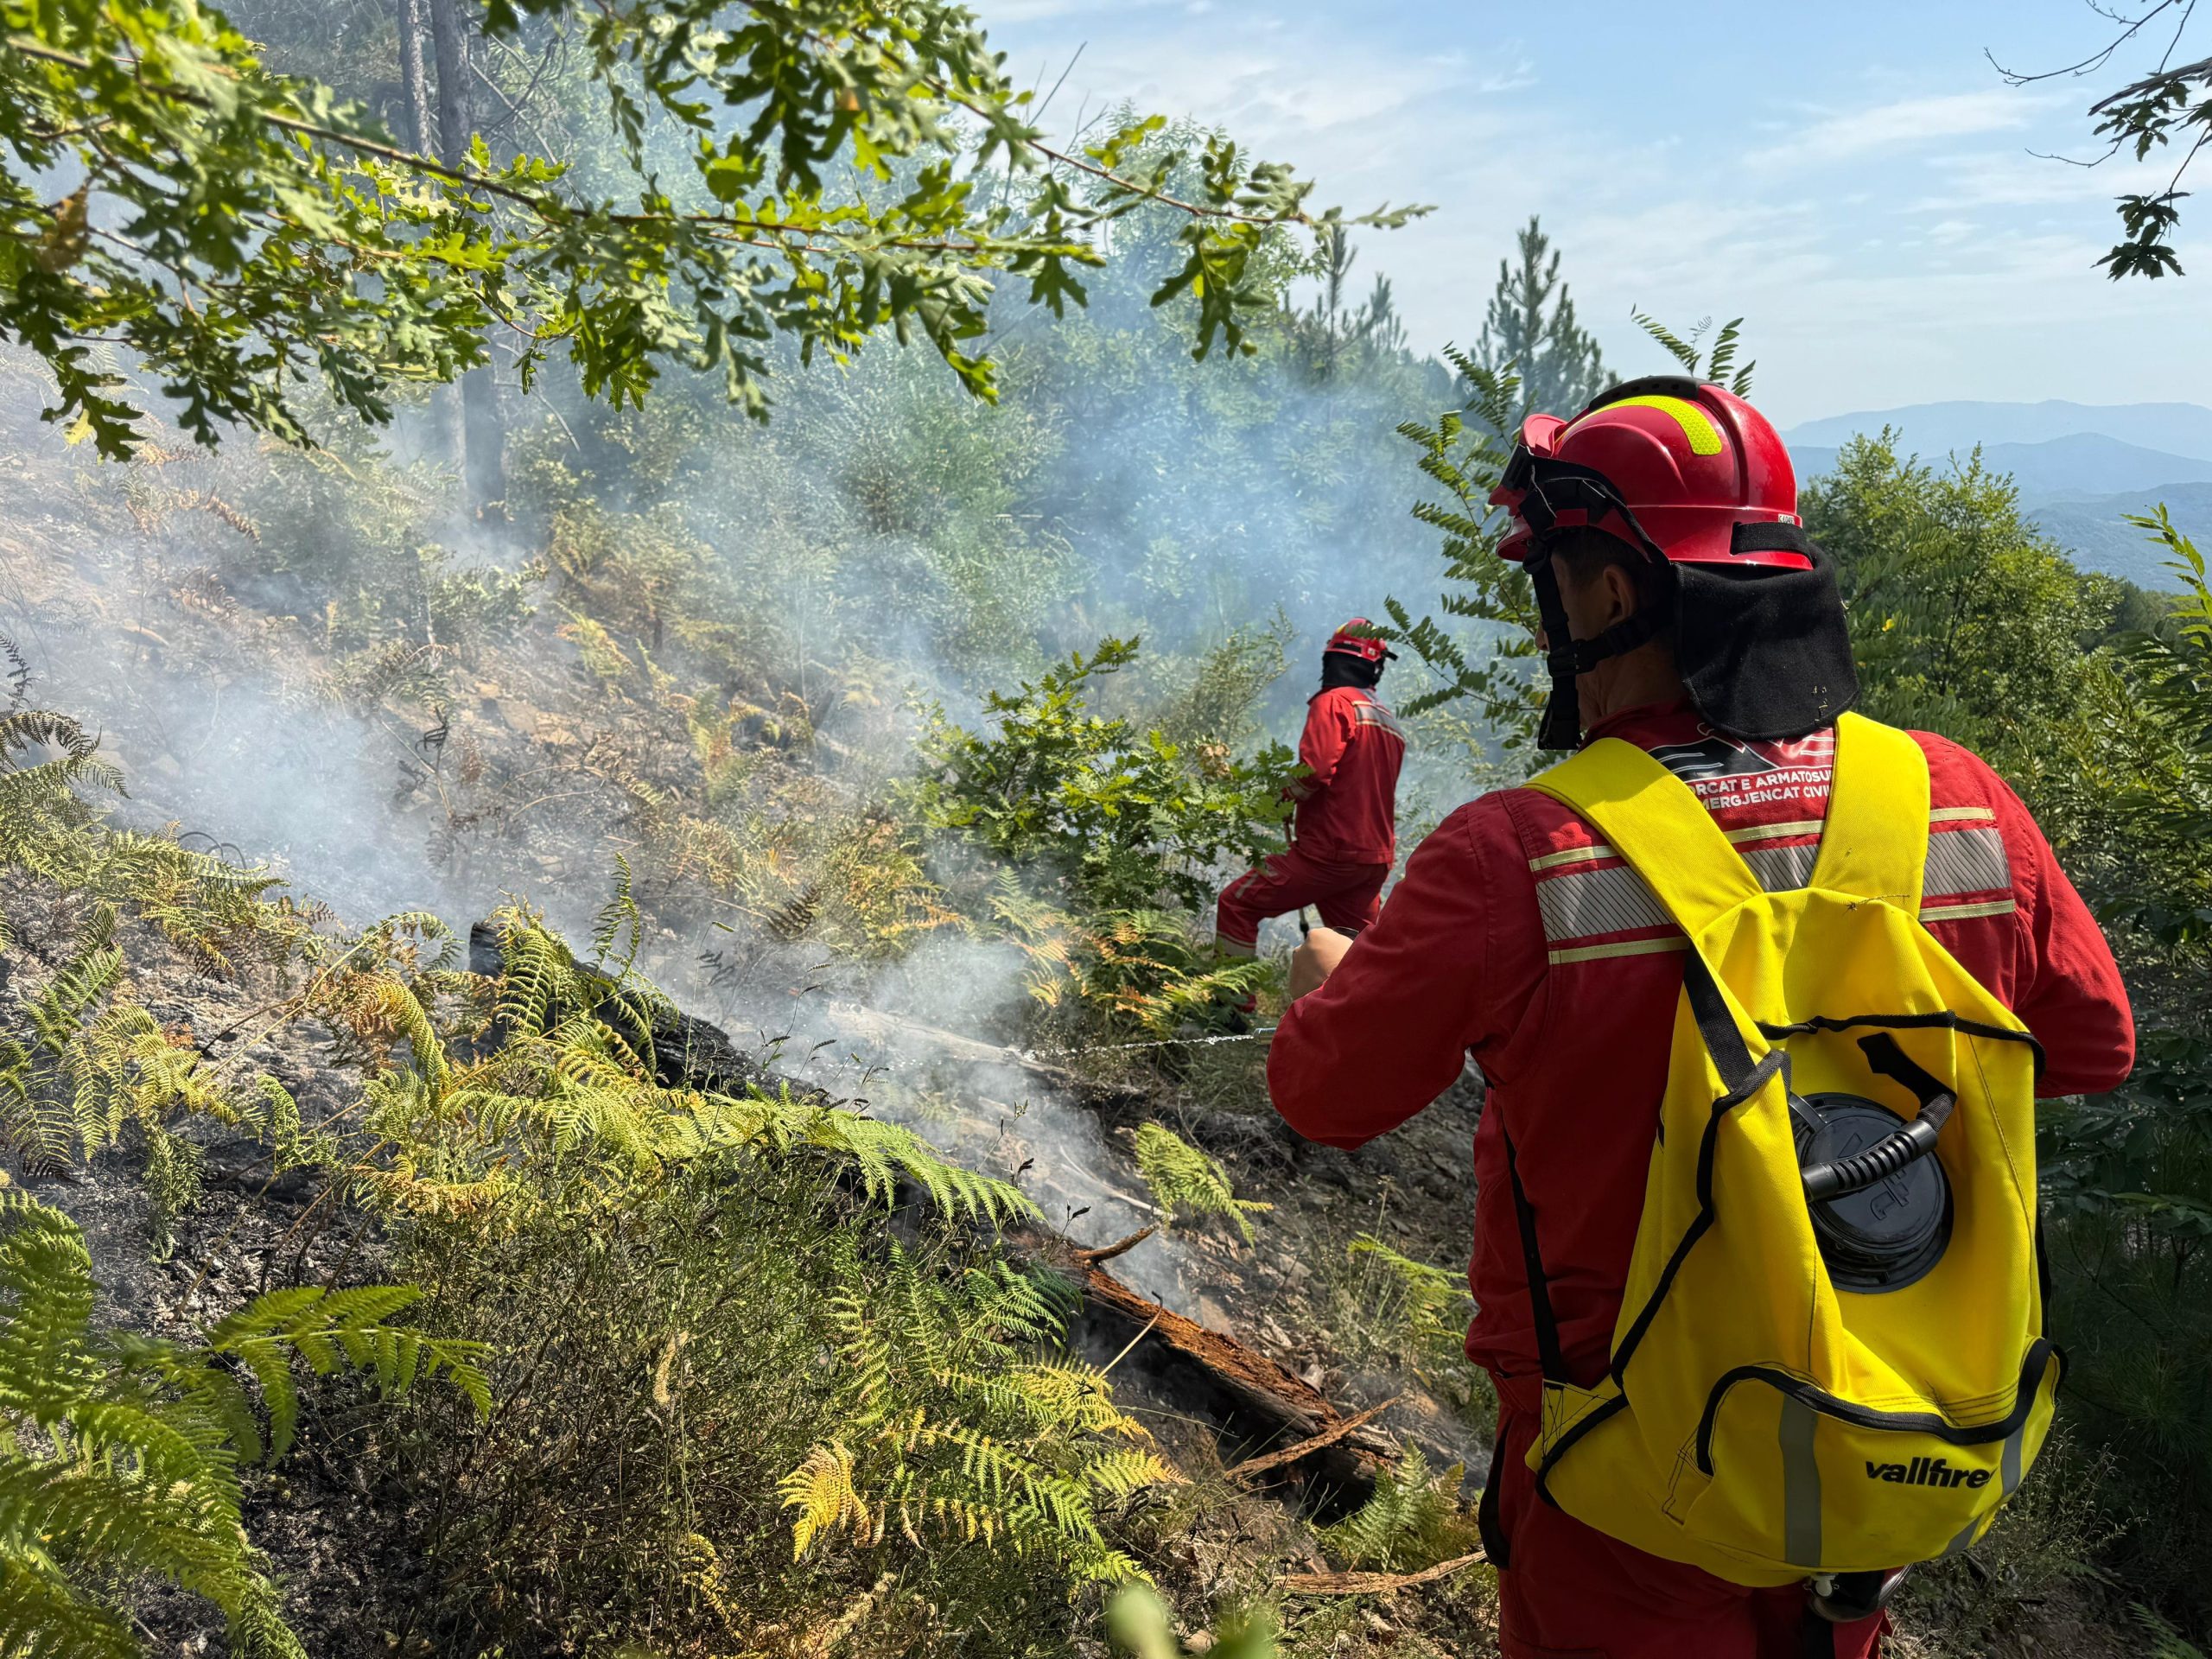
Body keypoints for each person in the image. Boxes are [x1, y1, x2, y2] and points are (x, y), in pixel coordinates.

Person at [1266, 378, 2134, 1659]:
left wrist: (1331, 977)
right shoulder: (1956, 800)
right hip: (1873, 1446)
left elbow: (1323, 1095)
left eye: (1557, 580)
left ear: (1611, 595)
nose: (1554, 608)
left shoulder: (1521, 851)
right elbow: (2089, 1045)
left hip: (1628, 1477)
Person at [1214, 620, 1407, 972]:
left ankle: (1229, 1007)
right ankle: (1363, 1022)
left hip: (1329, 854)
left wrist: (1279, 800)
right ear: (1373, 667)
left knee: (1236, 904)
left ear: (1331, 660)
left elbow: (1314, 771)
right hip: (1371, 861)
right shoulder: (1387, 721)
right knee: (1358, 953)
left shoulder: (1333, 702)